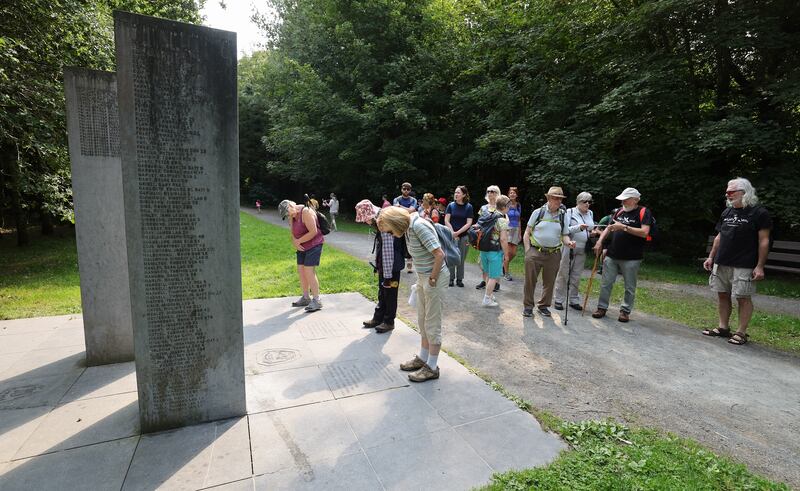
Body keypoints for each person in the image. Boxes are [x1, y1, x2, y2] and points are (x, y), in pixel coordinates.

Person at [377, 206, 448, 382]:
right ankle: (423, 359)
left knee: (432, 323)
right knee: (423, 321)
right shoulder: (409, 228)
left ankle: (432, 367)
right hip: (424, 277)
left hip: (434, 278)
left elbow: (439, 254)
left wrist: (431, 279)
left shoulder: (418, 226)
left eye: (391, 231)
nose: (392, 235)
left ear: (396, 223)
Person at [702, 178, 771, 346]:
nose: (728, 195)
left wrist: (760, 266)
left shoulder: (759, 213)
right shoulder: (727, 212)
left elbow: (764, 241)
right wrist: (711, 256)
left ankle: (741, 332)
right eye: (727, 192)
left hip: (744, 263)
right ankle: (723, 327)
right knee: (722, 294)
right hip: (722, 261)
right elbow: (719, 236)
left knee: (743, 297)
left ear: (744, 192)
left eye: (731, 192)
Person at [592, 187, 652, 322]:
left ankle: (625, 311)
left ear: (635, 200)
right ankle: (601, 308)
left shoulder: (643, 212)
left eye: (626, 199)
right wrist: (599, 242)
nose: (623, 202)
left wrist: (624, 227)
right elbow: (609, 227)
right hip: (612, 254)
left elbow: (644, 232)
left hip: (632, 257)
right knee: (606, 283)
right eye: (622, 199)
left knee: (629, 286)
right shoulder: (619, 211)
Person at [522, 186, 576, 317]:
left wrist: (568, 242)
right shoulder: (538, 212)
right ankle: (528, 306)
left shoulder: (563, 216)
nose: (558, 201)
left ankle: (544, 306)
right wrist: (528, 251)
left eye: (560, 199)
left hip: (554, 254)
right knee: (530, 281)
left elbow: (564, 235)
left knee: (550, 282)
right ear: (548, 198)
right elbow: (527, 232)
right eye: (555, 198)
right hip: (535, 251)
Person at [355, 199, 404, 333]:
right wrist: (379, 266)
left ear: (369, 214)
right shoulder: (380, 218)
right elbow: (381, 249)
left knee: (390, 293)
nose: (365, 222)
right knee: (382, 293)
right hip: (386, 266)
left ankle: (389, 322)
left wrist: (387, 277)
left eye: (365, 218)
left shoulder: (383, 221)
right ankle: (378, 318)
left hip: (392, 266)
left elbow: (388, 251)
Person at [279, 199, 324, 312]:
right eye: (286, 215)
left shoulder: (306, 212)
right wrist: (294, 241)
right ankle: (305, 297)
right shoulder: (292, 214)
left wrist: (298, 241)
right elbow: (292, 231)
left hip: (314, 245)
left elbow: (313, 231)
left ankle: (317, 300)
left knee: (309, 271)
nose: (289, 216)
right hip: (302, 246)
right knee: (301, 270)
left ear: (291, 206)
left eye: (288, 212)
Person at [554, 192, 595, 311]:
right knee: (564, 273)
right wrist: (579, 228)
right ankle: (559, 299)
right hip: (569, 246)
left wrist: (592, 233)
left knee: (577, 275)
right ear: (578, 202)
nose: (587, 204)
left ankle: (573, 299)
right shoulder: (569, 212)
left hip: (583, 248)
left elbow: (590, 228)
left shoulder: (590, 213)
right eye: (585, 201)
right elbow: (563, 229)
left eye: (589, 202)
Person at [480, 195, 510, 307]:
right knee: (494, 277)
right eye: (509, 206)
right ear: (505, 206)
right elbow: (503, 239)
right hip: (495, 251)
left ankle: (490, 295)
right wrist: (506, 255)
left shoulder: (488, 214)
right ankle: (487, 299)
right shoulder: (502, 220)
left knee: (488, 274)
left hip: (484, 250)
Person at [444, 185, 474, 287]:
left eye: (458, 193)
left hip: (464, 236)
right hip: (451, 235)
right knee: (451, 256)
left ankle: (459, 279)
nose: (456, 194)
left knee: (461, 259)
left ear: (464, 195)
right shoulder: (450, 205)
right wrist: (453, 232)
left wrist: (458, 233)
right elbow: (446, 220)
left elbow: (469, 223)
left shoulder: (469, 207)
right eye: (455, 192)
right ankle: (451, 278)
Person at [476, 185, 502, 291]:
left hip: (496, 238)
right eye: (489, 191)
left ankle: (496, 283)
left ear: (497, 193)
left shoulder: (500, 207)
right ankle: (485, 281)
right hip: (484, 238)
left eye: (493, 191)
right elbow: (479, 221)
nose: (490, 193)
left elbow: (504, 224)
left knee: (496, 261)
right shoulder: (483, 208)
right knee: (483, 262)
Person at [393, 182, 418, 272]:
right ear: (401, 189)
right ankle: (398, 264)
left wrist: (400, 207)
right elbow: (397, 210)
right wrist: (406, 209)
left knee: (410, 245)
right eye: (404, 189)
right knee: (397, 245)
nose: (406, 191)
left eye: (408, 189)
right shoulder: (396, 199)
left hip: (409, 225)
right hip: (399, 225)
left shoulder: (413, 200)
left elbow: (411, 211)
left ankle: (409, 265)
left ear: (410, 190)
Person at [504, 187, 522, 281]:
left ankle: (503, 265)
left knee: (513, 253)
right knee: (507, 253)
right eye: (511, 193)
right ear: (508, 194)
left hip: (516, 230)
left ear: (516, 195)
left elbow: (519, 220)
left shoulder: (518, 205)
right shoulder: (506, 205)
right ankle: (506, 273)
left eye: (514, 193)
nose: (512, 194)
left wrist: (520, 232)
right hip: (507, 229)